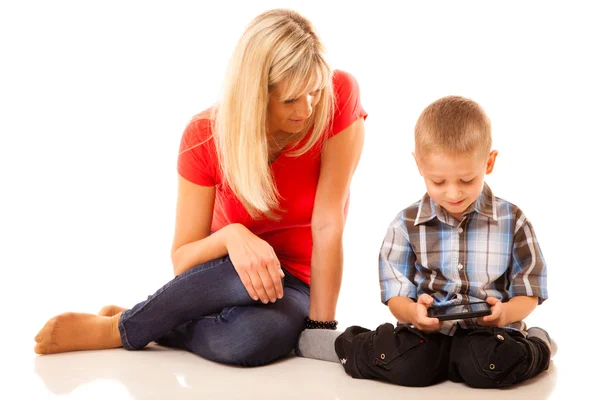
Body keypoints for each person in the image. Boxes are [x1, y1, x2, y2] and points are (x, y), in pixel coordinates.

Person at [34, 8, 367, 367]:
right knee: (240, 279)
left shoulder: (339, 96)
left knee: (250, 339)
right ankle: (121, 329)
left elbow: (328, 222)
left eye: (314, 92)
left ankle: (155, 321)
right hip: (227, 274)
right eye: (290, 99)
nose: (307, 109)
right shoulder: (204, 135)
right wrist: (231, 237)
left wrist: (320, 327)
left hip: (297, 281)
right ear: (255, 93)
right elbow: (183, 258)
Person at [300, 95, 556, 388]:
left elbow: (529, 290)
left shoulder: (514, 221)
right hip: (428, 334)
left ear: (489, 162)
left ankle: (540, 344)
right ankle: (343, 346)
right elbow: (396, 295)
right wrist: (413, 313)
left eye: (466, 180)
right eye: (438, 181)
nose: (452, 193)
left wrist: (506, 313)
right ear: (419, 164)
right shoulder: (406, 225)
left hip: (489, 336)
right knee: (407, 366)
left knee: (488, 367)